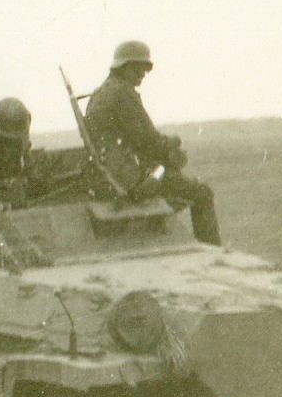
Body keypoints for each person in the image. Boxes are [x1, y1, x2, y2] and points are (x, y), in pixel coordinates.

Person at [84, 40, 222, 244]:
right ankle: (212, 251)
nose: (142, 73)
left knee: (168, 168)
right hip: (133, 180)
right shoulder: (122, 94)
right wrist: (173, 144)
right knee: (202, 193)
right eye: (138, 68)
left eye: (145, 69)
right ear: (123, 67)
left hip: (114, 174)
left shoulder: (100, 93)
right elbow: (149, 141)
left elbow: (140, 139)